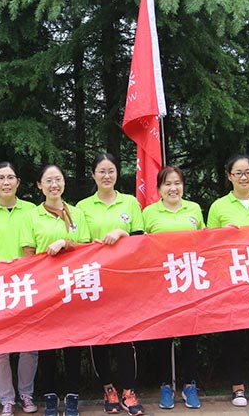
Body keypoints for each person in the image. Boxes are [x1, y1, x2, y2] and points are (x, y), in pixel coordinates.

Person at [75, 153, 145, 416]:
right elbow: (80, 244)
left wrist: (122, 232)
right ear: (93, 175)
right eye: (101, 171)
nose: (106, 176)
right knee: (100, 339)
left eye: (111, 171)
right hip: (94, 281)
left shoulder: (130, 203)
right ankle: (108, 389)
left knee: (126, 339)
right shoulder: (82, 207)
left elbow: (140, 239)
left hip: (125, 281)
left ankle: (128, 391)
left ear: (117, 173)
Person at [19, 164, 91, 416]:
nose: (54, 185)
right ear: (39, 185)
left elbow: (87, 248)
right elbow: (28, 254)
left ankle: (72, 397)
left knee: (73, 344)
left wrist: (65, 243)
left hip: (73, 286)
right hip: (44, 288)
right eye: (48, 180)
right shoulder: (31, 216)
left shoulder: (77, 213)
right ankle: (50, 397)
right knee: (47, 345)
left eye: (58, 179)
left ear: (64, 183)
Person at [207, 154, 249, 407]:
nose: (243, 177)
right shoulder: (218, 206)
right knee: (233, 336)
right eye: (238, 173)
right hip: (230, 279)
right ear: (229, 176)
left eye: (248, 172)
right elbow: (208, 243)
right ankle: (237, 388)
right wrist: (222, 235)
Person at [0, 162, 39, 416]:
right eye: (0, 178)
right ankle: (6, 399)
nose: (5, 182)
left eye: (10, 177)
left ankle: (26, 393)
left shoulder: (32, 210)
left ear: (18, 182)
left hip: (27, 284)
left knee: (29, 345)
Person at [142, 166, 205, 410]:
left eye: (177, 183)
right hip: (161, 284)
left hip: (189, 280)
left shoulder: (194, 209)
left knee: (190, 337)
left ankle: (190, 385)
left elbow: (207, 241)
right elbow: (140, 247)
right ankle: (165, 386)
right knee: (163, 338)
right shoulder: (149, 213)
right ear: (159, 188)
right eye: (167, 184)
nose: (173, 188)